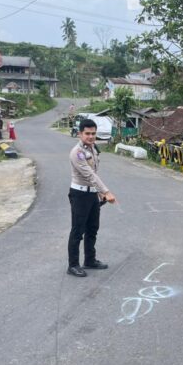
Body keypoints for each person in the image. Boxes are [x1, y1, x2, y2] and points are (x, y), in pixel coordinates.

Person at [67, 119, 116, 277]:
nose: (90, 136)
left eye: (93, 133)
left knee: (92, 228)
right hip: (80, 195)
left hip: (92, 193)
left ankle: (90, 260)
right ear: (80, 134)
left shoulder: (93, 148)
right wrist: (106, 191)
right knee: (78, 230)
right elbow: (89, 174)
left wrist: (99, 192)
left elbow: (94, 173)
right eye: (87, 133)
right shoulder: (77, 152)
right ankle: (73, 265)